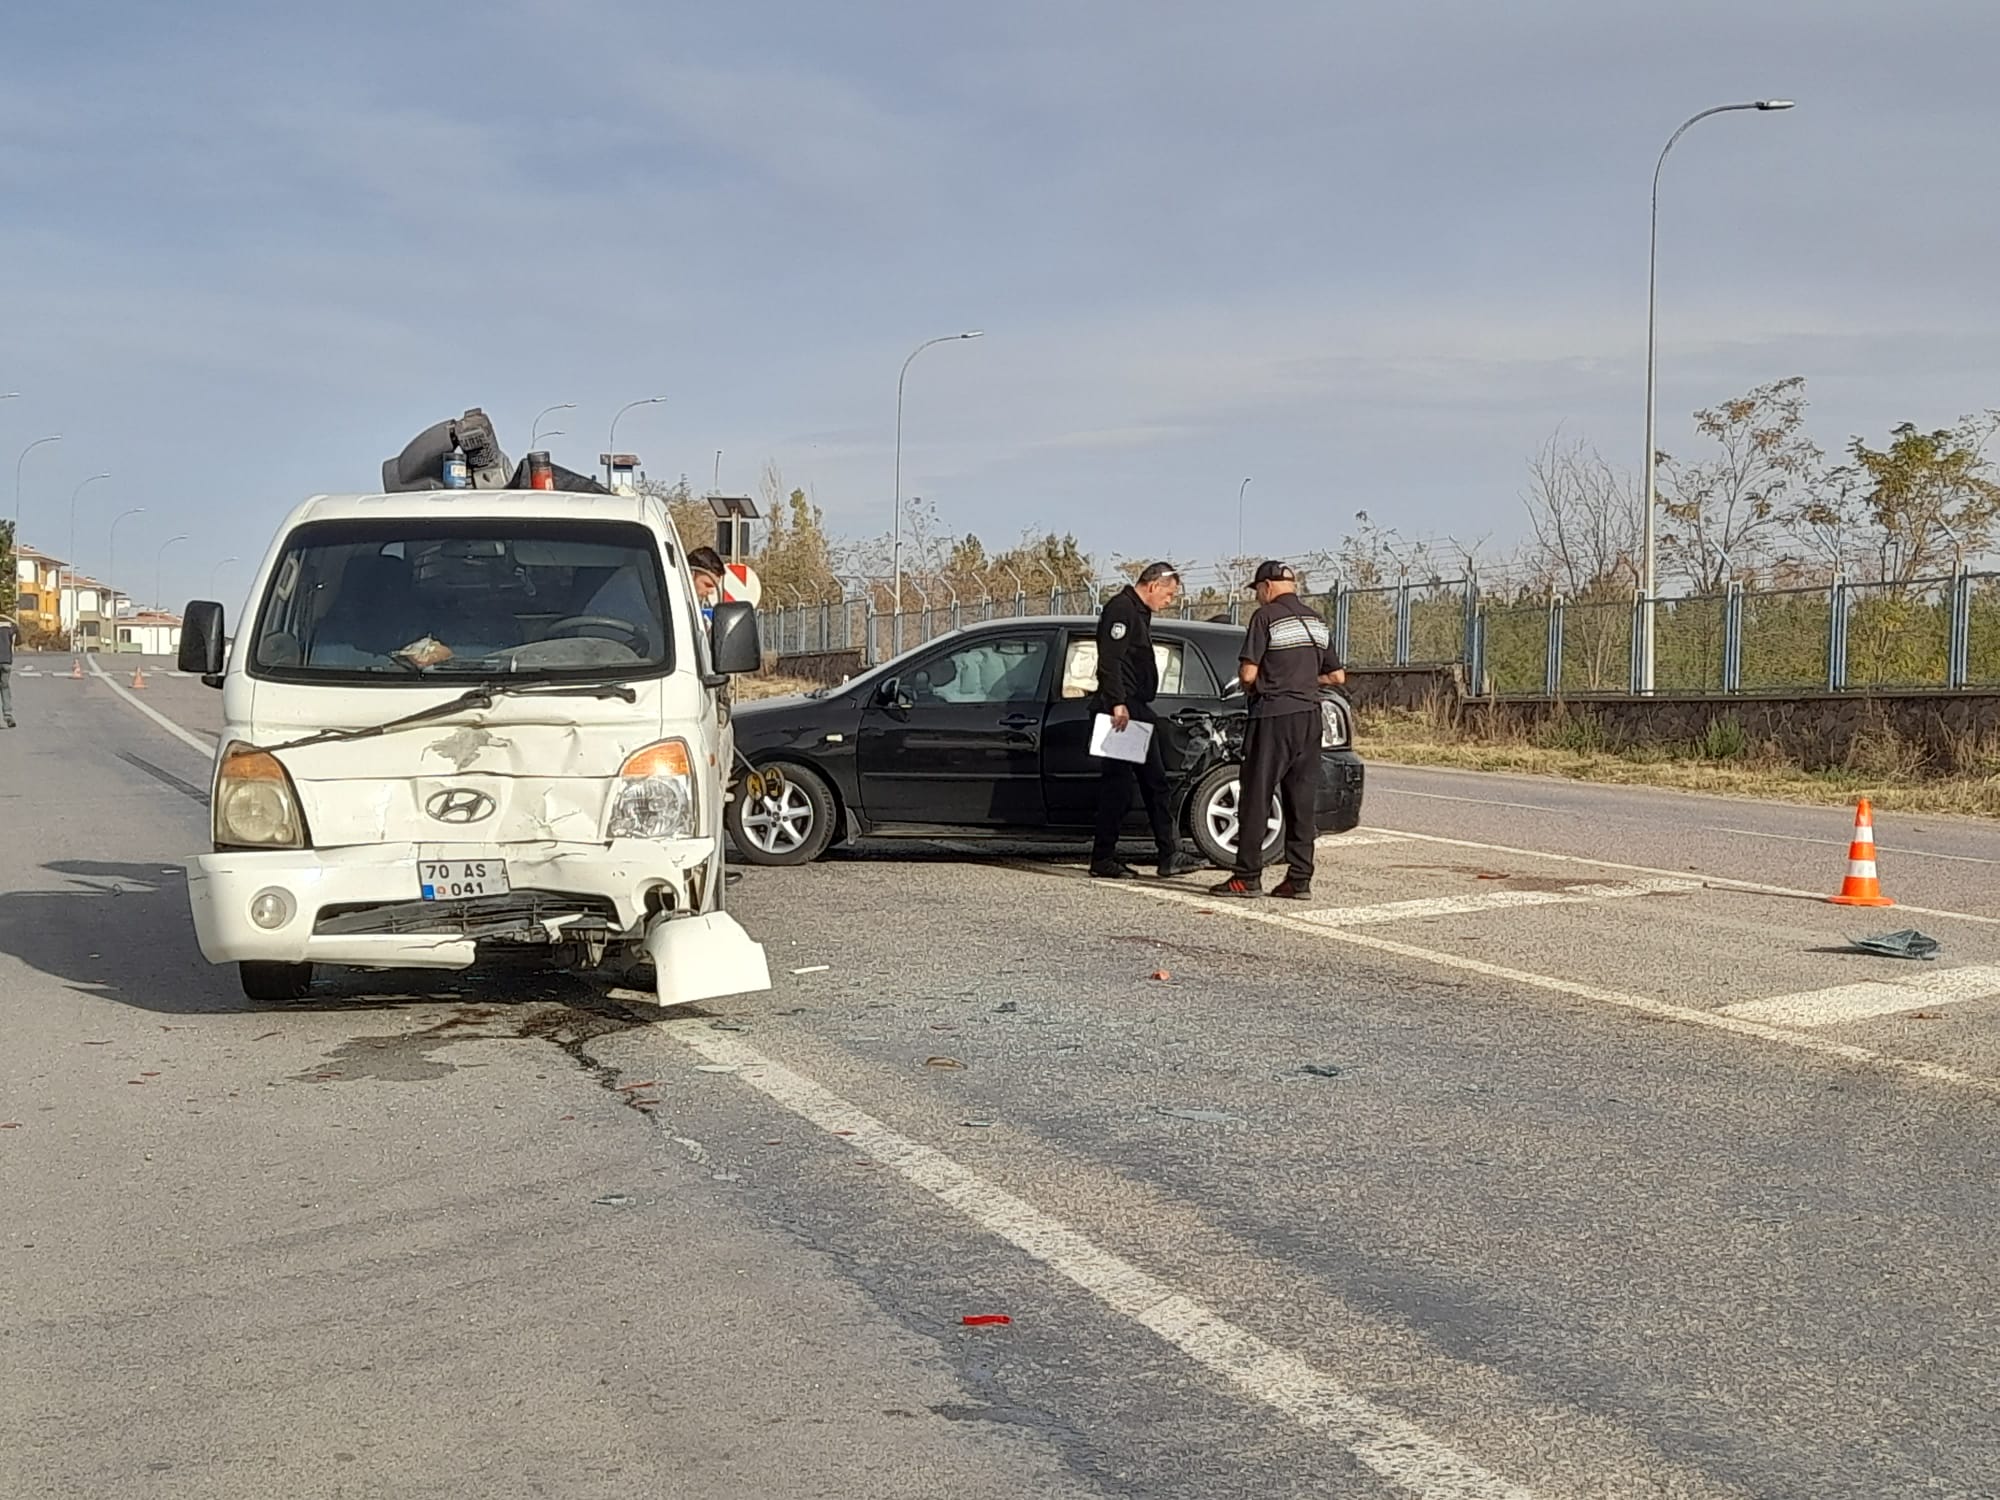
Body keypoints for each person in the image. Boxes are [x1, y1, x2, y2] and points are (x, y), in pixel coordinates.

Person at [1212, 561, 1344, 899]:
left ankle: (1246, 877)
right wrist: (1301, 680)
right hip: (1310, 716)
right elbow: (1336, 677)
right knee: (1301, 799)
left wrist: (1275, 681)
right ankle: (1299, 879)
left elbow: (1247, 675)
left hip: (1273, 715)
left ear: (1268, 586)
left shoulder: (1266, 617)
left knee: (1256, 794)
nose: (1257, 596)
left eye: (1257, 589)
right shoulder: (1316, 622)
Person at [1089, 562, 1201, 880]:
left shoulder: (1139, 612)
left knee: (1155, 784)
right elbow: (1109, 660)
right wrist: (1118, 703)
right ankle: (1103, 858)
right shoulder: (1121, 610)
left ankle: (1169, 853)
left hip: (1136, 709)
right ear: (1152, 586)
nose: (1170, 601)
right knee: (1118, 788)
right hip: (1122, 712)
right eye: (1168, 594)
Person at [0, 610, 16, 728]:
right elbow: (19, 639)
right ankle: (8, 715)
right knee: (5, 687)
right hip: (6, 660)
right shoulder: (9, 624)